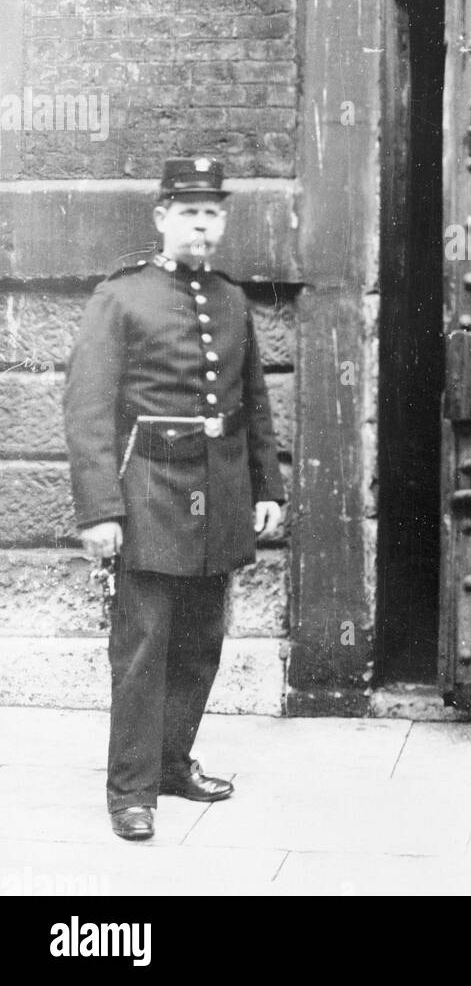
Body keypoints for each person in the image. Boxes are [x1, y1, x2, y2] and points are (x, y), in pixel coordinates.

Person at [63, 157, 285, 840]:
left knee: (201, 642)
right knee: (142, 646)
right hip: (150, 488)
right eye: (189, 211)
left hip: (217, 489)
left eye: (212, 212)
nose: (202, 223)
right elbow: (87, 409)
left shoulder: (229, 298)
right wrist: (100, 511)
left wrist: (266, 487)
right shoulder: (121, 296)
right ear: (162, 217)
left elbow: (253, 401)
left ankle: (170, 764)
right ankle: (130, 790)